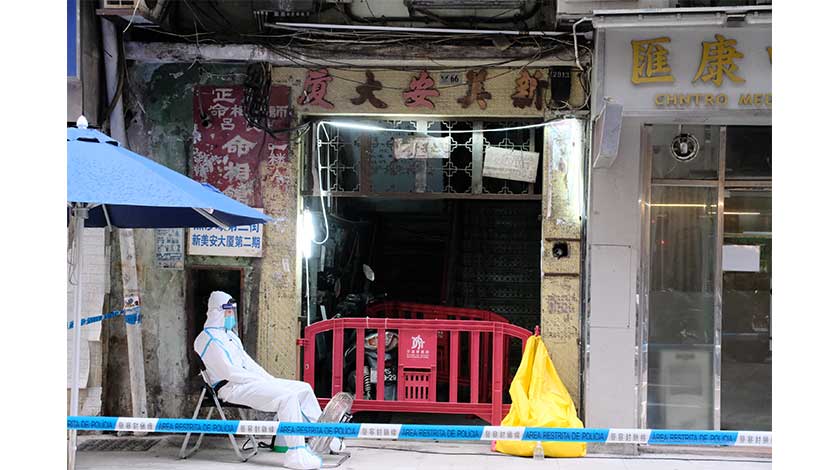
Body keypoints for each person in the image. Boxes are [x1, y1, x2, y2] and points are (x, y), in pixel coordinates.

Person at [194, 291, 332, 469]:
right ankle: (295, 454)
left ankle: (325, 437)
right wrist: (259, 381)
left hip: (250, 382)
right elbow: (229, 372)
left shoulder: (230, 336)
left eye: (232, 311)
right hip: (231, 388)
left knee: (303, 388)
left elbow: (249, 364)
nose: (231, 316)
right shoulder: (206, 339)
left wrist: (268, 379)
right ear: (217, 311)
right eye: (228, 311)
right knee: (287, 398)